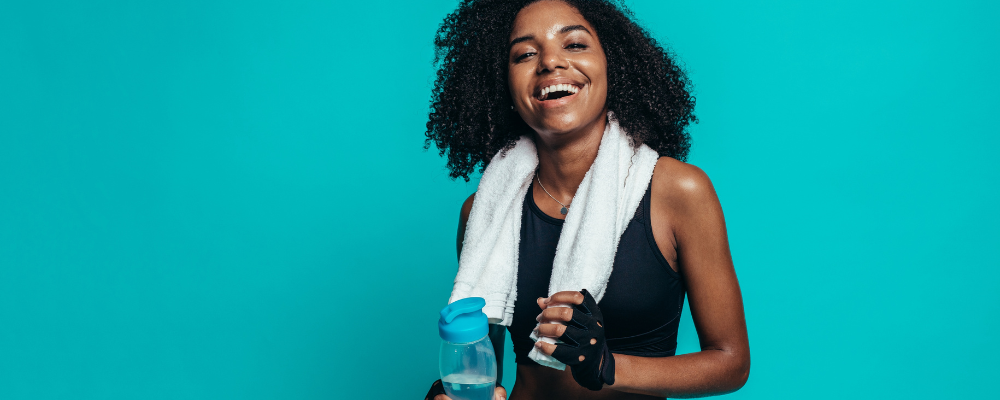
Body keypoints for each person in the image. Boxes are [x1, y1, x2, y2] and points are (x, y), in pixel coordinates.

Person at [424, 1, 749, 399]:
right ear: (503, 84)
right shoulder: (483, 212)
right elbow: (481, 373)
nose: (549, 63)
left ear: (612, 65)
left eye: (574, 44)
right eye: (525, 54)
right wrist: (450, 391)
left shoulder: (678, 192)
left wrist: (606, 366)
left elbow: (730, 362)